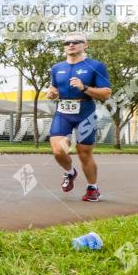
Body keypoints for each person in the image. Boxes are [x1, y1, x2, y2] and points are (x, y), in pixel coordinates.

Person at [45, 32, 112, 202]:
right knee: (58, 150)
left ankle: (92, 188)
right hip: (63, 113)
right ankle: (70, 172)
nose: (71, 45)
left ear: (85, 45)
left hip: (85, 112)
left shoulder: (96, 66)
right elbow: (55, 87)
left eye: (76, 42)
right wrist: (52, 93)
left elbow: (106, 94)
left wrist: (84, 88)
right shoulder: (56, 68)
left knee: (84, 153)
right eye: (67, 42)